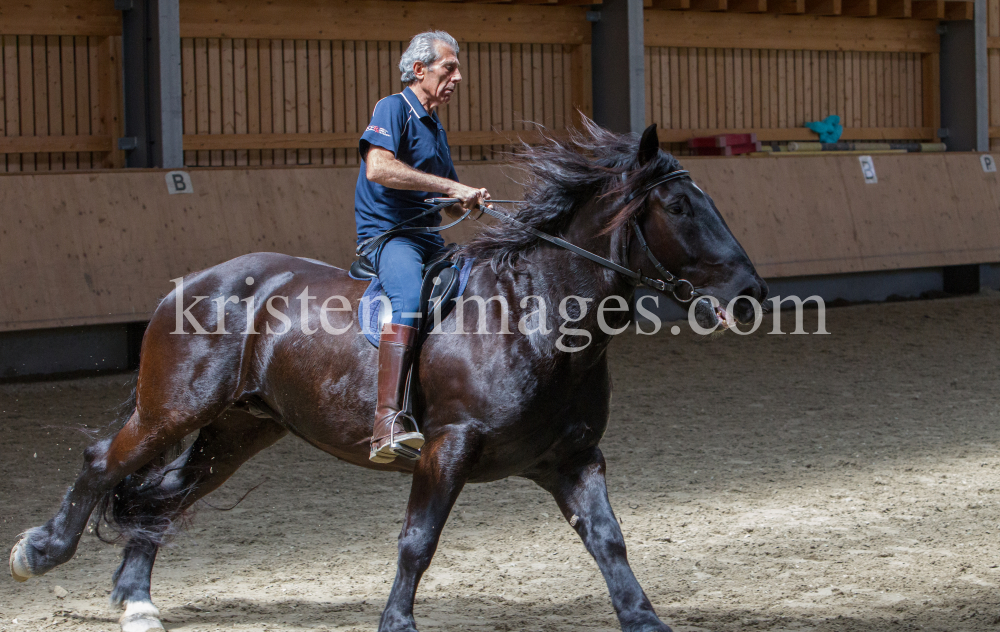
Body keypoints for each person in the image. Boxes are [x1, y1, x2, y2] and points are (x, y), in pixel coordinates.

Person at [355, 31, 490, 464]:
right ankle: (386, 422)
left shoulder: (435, 127)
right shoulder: (393, 109)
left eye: (457, 69)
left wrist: (465, 201)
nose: (458, 77)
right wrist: (452, 185)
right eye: (448, 68)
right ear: (419, 70)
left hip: (428, 237)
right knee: (409, 297)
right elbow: (378, 168)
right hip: (389, 237)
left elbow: (446, 206)